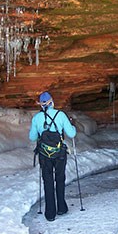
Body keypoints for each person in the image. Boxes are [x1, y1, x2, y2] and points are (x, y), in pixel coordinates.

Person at [29, 91, 77, 221]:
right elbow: (71, 134)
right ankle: (62, 207)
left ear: (41, 104)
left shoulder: (36, 118)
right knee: (60, 179)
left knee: (48, 181)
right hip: (59, 153)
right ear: (52, 102)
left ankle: (50, 213)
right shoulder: (60, 115)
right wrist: (73, 125)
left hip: (44, 154)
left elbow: (32, 137)